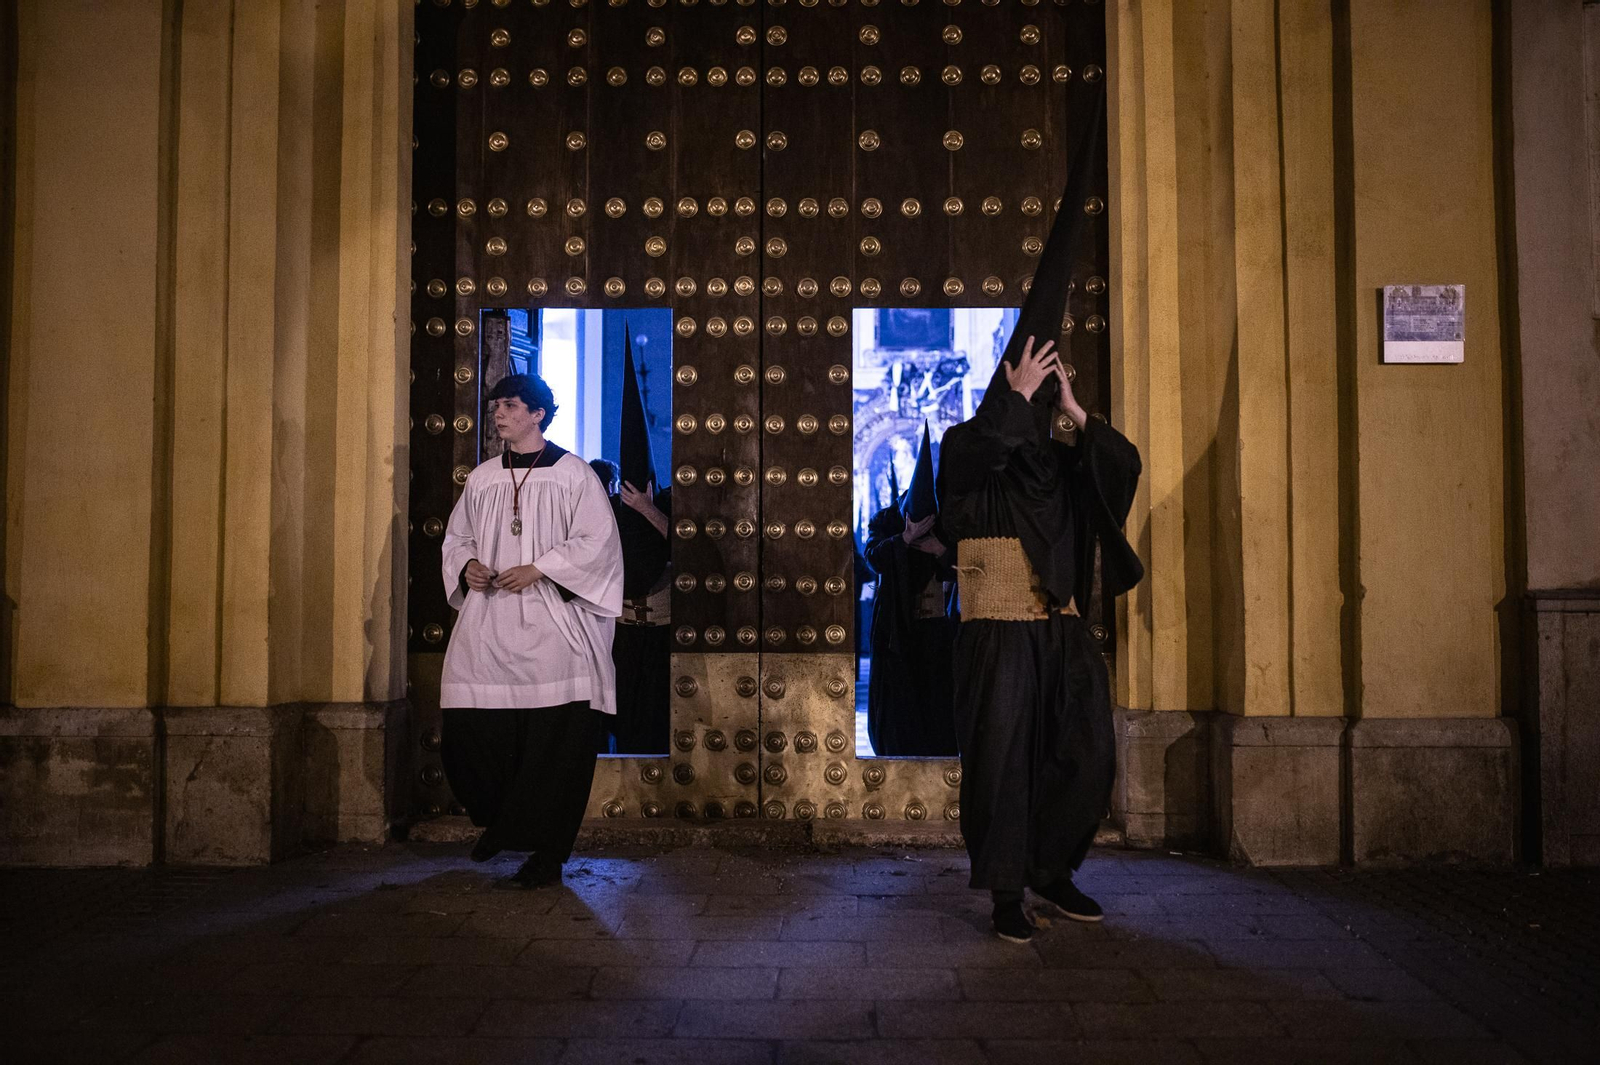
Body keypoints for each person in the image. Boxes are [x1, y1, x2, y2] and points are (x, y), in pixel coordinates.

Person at [938, 336, 1143, 942]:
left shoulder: (1063, 462)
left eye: (1041, 396)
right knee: (1002, 760)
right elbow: (972, 458)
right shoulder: (971, 451)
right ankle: (1006, 893)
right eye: (1024, 393)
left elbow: (1121, 467)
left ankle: (1051, 871)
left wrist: (1079, 414)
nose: (1033, 409)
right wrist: (1015, 394)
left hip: (1064, 629)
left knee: (1084, 754)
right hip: (998, 634)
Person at [439, 373, 623, 887]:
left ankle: (545, 855)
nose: (498, 413)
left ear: (538, 414)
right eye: (496, 405)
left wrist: (541, 568)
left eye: (511, 405)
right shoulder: (483, 478)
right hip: (491, 622)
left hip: (553, 630)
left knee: (552, 749)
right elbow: (457, 537)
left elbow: (598, 543)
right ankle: (502, 822)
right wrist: (468, 564)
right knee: (473, 734)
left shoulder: (572, 474)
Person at [863, 424, 959, 756]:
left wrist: (937, 549)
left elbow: (965, 567)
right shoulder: (886, 520)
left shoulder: (945, 524)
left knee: (934, 698)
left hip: (937, 632)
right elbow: (873, 557)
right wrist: (904, 538)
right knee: (899, 699)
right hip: (896, 629)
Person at [606, 329, 673, 754]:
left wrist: (648, 509)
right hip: (622, 629)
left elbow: (687, 550)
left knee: (659, 713)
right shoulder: (607, 507)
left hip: (664, 632)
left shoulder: (667, 500)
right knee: (622, 713)